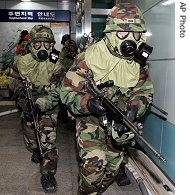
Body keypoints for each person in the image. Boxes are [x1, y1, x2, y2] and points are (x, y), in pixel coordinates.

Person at [35, 3, 154, 194]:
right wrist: (88, 103)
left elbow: (144, 92)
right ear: (110, 33)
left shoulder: (138, 64)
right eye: (122, 33)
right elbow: (66, 91)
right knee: (93, 167)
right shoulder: (89, 58)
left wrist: (132, 110)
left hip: (118, 123)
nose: (130, 39)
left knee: (113, 168)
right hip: (90, 120)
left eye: (136, 33)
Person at [16, 24, 65, 193]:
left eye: (47, 44)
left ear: (52, 45)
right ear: (31, 45)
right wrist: (19, 89)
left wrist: (40, 104)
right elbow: (12, 76)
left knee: (47, 140)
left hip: (47, 107)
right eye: (38, 44)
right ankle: (36, 148)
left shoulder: (57, 64)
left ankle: (48, 174)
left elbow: (59, 90)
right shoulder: (22, 61)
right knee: (31, 137)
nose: (42, 48)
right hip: (27, 105)